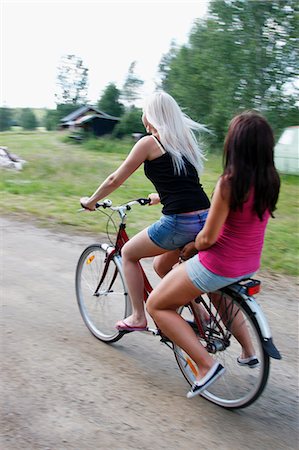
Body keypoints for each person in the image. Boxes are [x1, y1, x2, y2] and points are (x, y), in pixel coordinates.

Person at [146, 110, 280, 398]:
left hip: (217, 265)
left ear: (234, 145)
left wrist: (191, 246)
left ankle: (206, 366)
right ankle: (247, 350)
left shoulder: (230, 183)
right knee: (217, 294)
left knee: (156, 305)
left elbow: (208, 237)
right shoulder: (271, 180)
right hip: (247, 265)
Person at [80, 91, 210, 331]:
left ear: (150, 115)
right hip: (206, 218)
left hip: (181, 222)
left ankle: (138, 317)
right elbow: (185, 183)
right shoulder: (184, 140)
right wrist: (161, 197)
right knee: (162, 267)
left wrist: (92, 200)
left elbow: (114, 179)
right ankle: (200, 312)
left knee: (128, 253)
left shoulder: (150, 143)